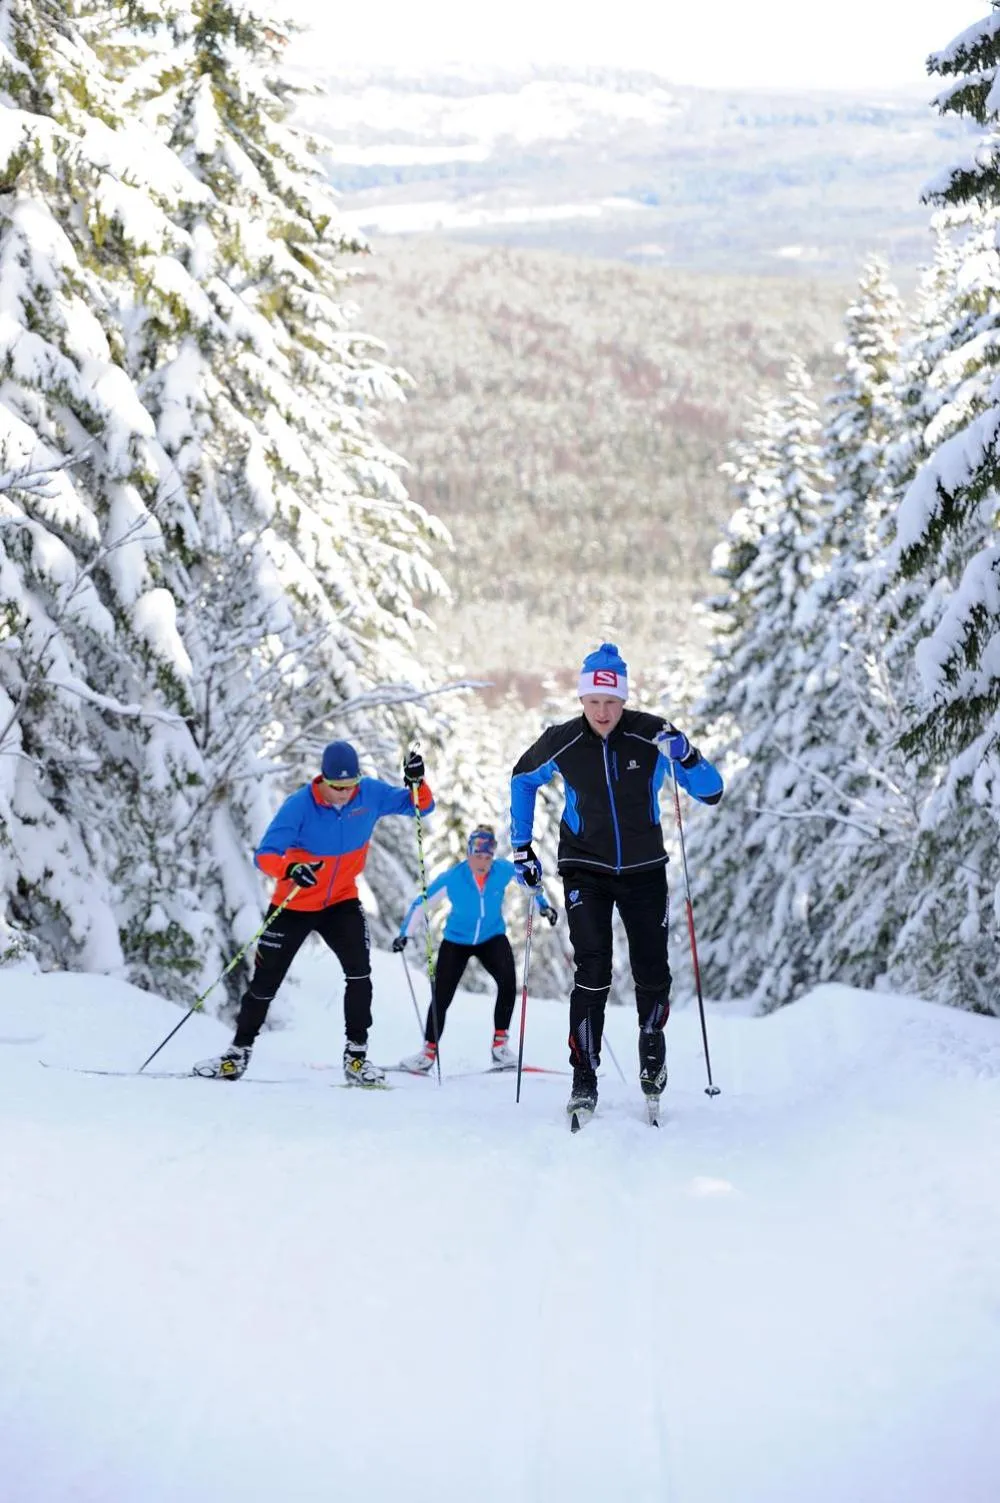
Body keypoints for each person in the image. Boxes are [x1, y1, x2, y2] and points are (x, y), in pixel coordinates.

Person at [509, 643, 723, 1120]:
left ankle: (652, 1048)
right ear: (581, 700)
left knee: (653, 972)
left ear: (624, 699)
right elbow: (522, 778)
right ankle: (584, 1077)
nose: (603, 712)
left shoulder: (652, 734)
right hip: (585, 868)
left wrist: (687, 755)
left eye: (611, 702)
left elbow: (711, 791)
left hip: (645, 870)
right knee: (593, 971)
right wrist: (521, 846)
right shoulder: (563, 740)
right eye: (593, 701)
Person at [194, 740, 433, 1087]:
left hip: (341, 901)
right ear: (323, 779)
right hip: (295, 904)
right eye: (337, 787)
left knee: (359, 974)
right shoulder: (299, 806)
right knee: (265, 982)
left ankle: (356, 1057)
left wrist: (417, 783)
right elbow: (265, 855)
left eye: (350, 786)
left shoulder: (369, 794)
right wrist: (291, 868)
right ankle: (236, 1054)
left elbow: (421, 806)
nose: (345, 794)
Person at [393, 824, 557, 1072]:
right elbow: (421, 904)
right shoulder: (453, 878)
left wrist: (544, 906)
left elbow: (528, 884)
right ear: (469, 854)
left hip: (491, 937)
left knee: (507, 984)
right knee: (442, 996)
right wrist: (405, 934)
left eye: (487, 857)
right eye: (478, 856)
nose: (482, 862)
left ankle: (500, 1048)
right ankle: (427, 1053)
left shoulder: (502, 870)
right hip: (456, 941)